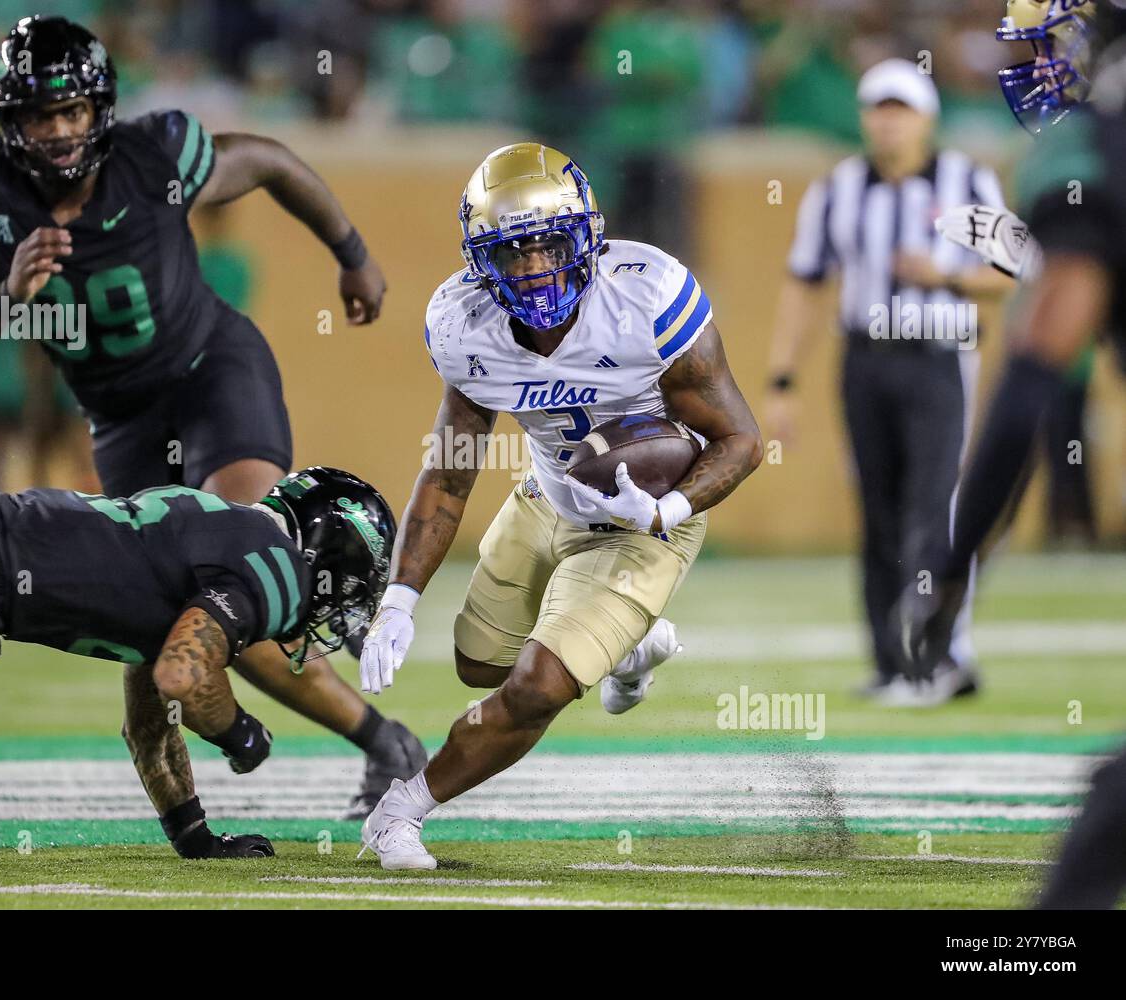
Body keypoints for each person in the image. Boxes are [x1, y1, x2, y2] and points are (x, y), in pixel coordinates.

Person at [0, 15, 423, 820]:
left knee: (233, 574)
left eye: (73, 111)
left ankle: (372, 718)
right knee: (157, 615)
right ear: (9, 122)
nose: (58, 130)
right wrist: (2, 301)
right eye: (41, 115)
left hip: (211, 373)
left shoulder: (152, 157)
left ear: (100, 110)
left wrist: (351, 251)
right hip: (119, 418)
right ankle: (370, 745)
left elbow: (267, 158)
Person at [355, 142, 762, 870]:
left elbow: (739, 440)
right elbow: (449, 474)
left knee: (538, 687)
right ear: (483, 261)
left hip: (645, 519)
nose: (537, 269)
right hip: (546, 493)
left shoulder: (648, 298)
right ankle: (629, 647)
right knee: (480, 667)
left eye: (550, 245)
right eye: (514, 254)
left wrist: (666, 513)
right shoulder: (463, 324)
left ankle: (401, 811)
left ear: (588, 238)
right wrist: (400, 598)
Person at [0, 460, 394, 857]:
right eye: (352, 586)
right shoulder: (277, 567)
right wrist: (240, 733)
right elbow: (184, 674)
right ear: (329, 557)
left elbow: (150, 723)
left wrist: (191, 832)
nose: (344, 604)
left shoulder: (219, 530)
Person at [900, 0, 1126, 909]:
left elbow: (1032, 381)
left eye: (1053, 40)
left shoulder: (1087, 152)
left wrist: (954, 565)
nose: (1040, 61)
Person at [763, 58, 1014, 707]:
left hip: (938, 353)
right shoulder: (838, 188)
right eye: (878, 107)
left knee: (932, 507)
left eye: (900, 108)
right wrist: (781, 378)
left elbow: (1013, 272)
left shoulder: (967, 181)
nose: (888, 121)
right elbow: (804, 281)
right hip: (866, 359)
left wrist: (945, 277)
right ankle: (891, 660)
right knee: (878, 509)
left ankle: (936, 657)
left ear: (927, 118)